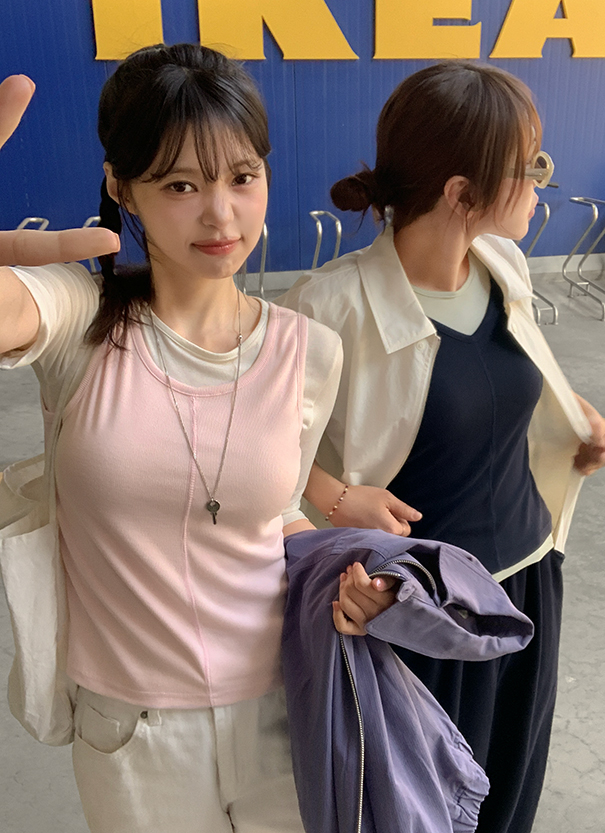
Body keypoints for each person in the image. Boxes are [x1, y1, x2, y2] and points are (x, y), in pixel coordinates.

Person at [0, 44, 368, 833]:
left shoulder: (309, 351)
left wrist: (339, 570)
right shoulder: (78, 318)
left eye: (242, 177)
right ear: (119, 186)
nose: (221, 215)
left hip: (285, 708)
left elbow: (274, 514)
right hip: (132, 729)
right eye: (179, 185)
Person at [280, 60, 605, 833]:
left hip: (524, 588)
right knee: (423, 812)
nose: (542, 185)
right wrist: (337, 497)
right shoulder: (330, 306)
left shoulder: (502, 266)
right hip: (420, 613)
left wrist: (571, 415)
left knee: (509, 798)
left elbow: (504, 379)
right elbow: (257, 459)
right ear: (461, 192)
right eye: (531, 168)